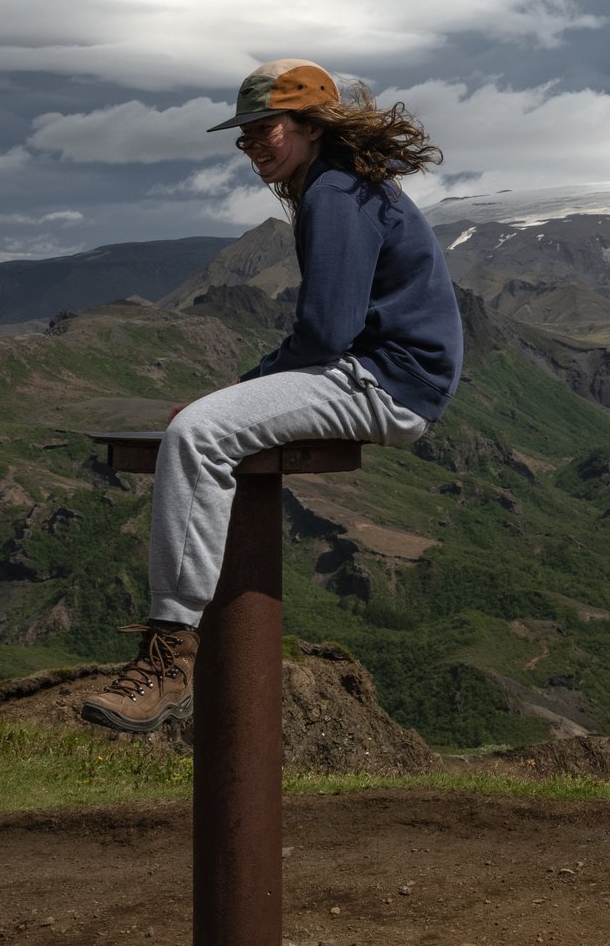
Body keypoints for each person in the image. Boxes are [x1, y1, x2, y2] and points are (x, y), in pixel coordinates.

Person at [81, 59, 462, 734]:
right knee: (210, 421)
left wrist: (235, 395)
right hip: (390, 374)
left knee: (198, 432)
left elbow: (325, 332)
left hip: (385, 381)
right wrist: (245, 393)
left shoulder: (334, 193)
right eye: (245, 136)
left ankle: (169, 660)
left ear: (312, 126)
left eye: (267, 130)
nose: (254, 146)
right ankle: (174, 654)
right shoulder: (341, 183)